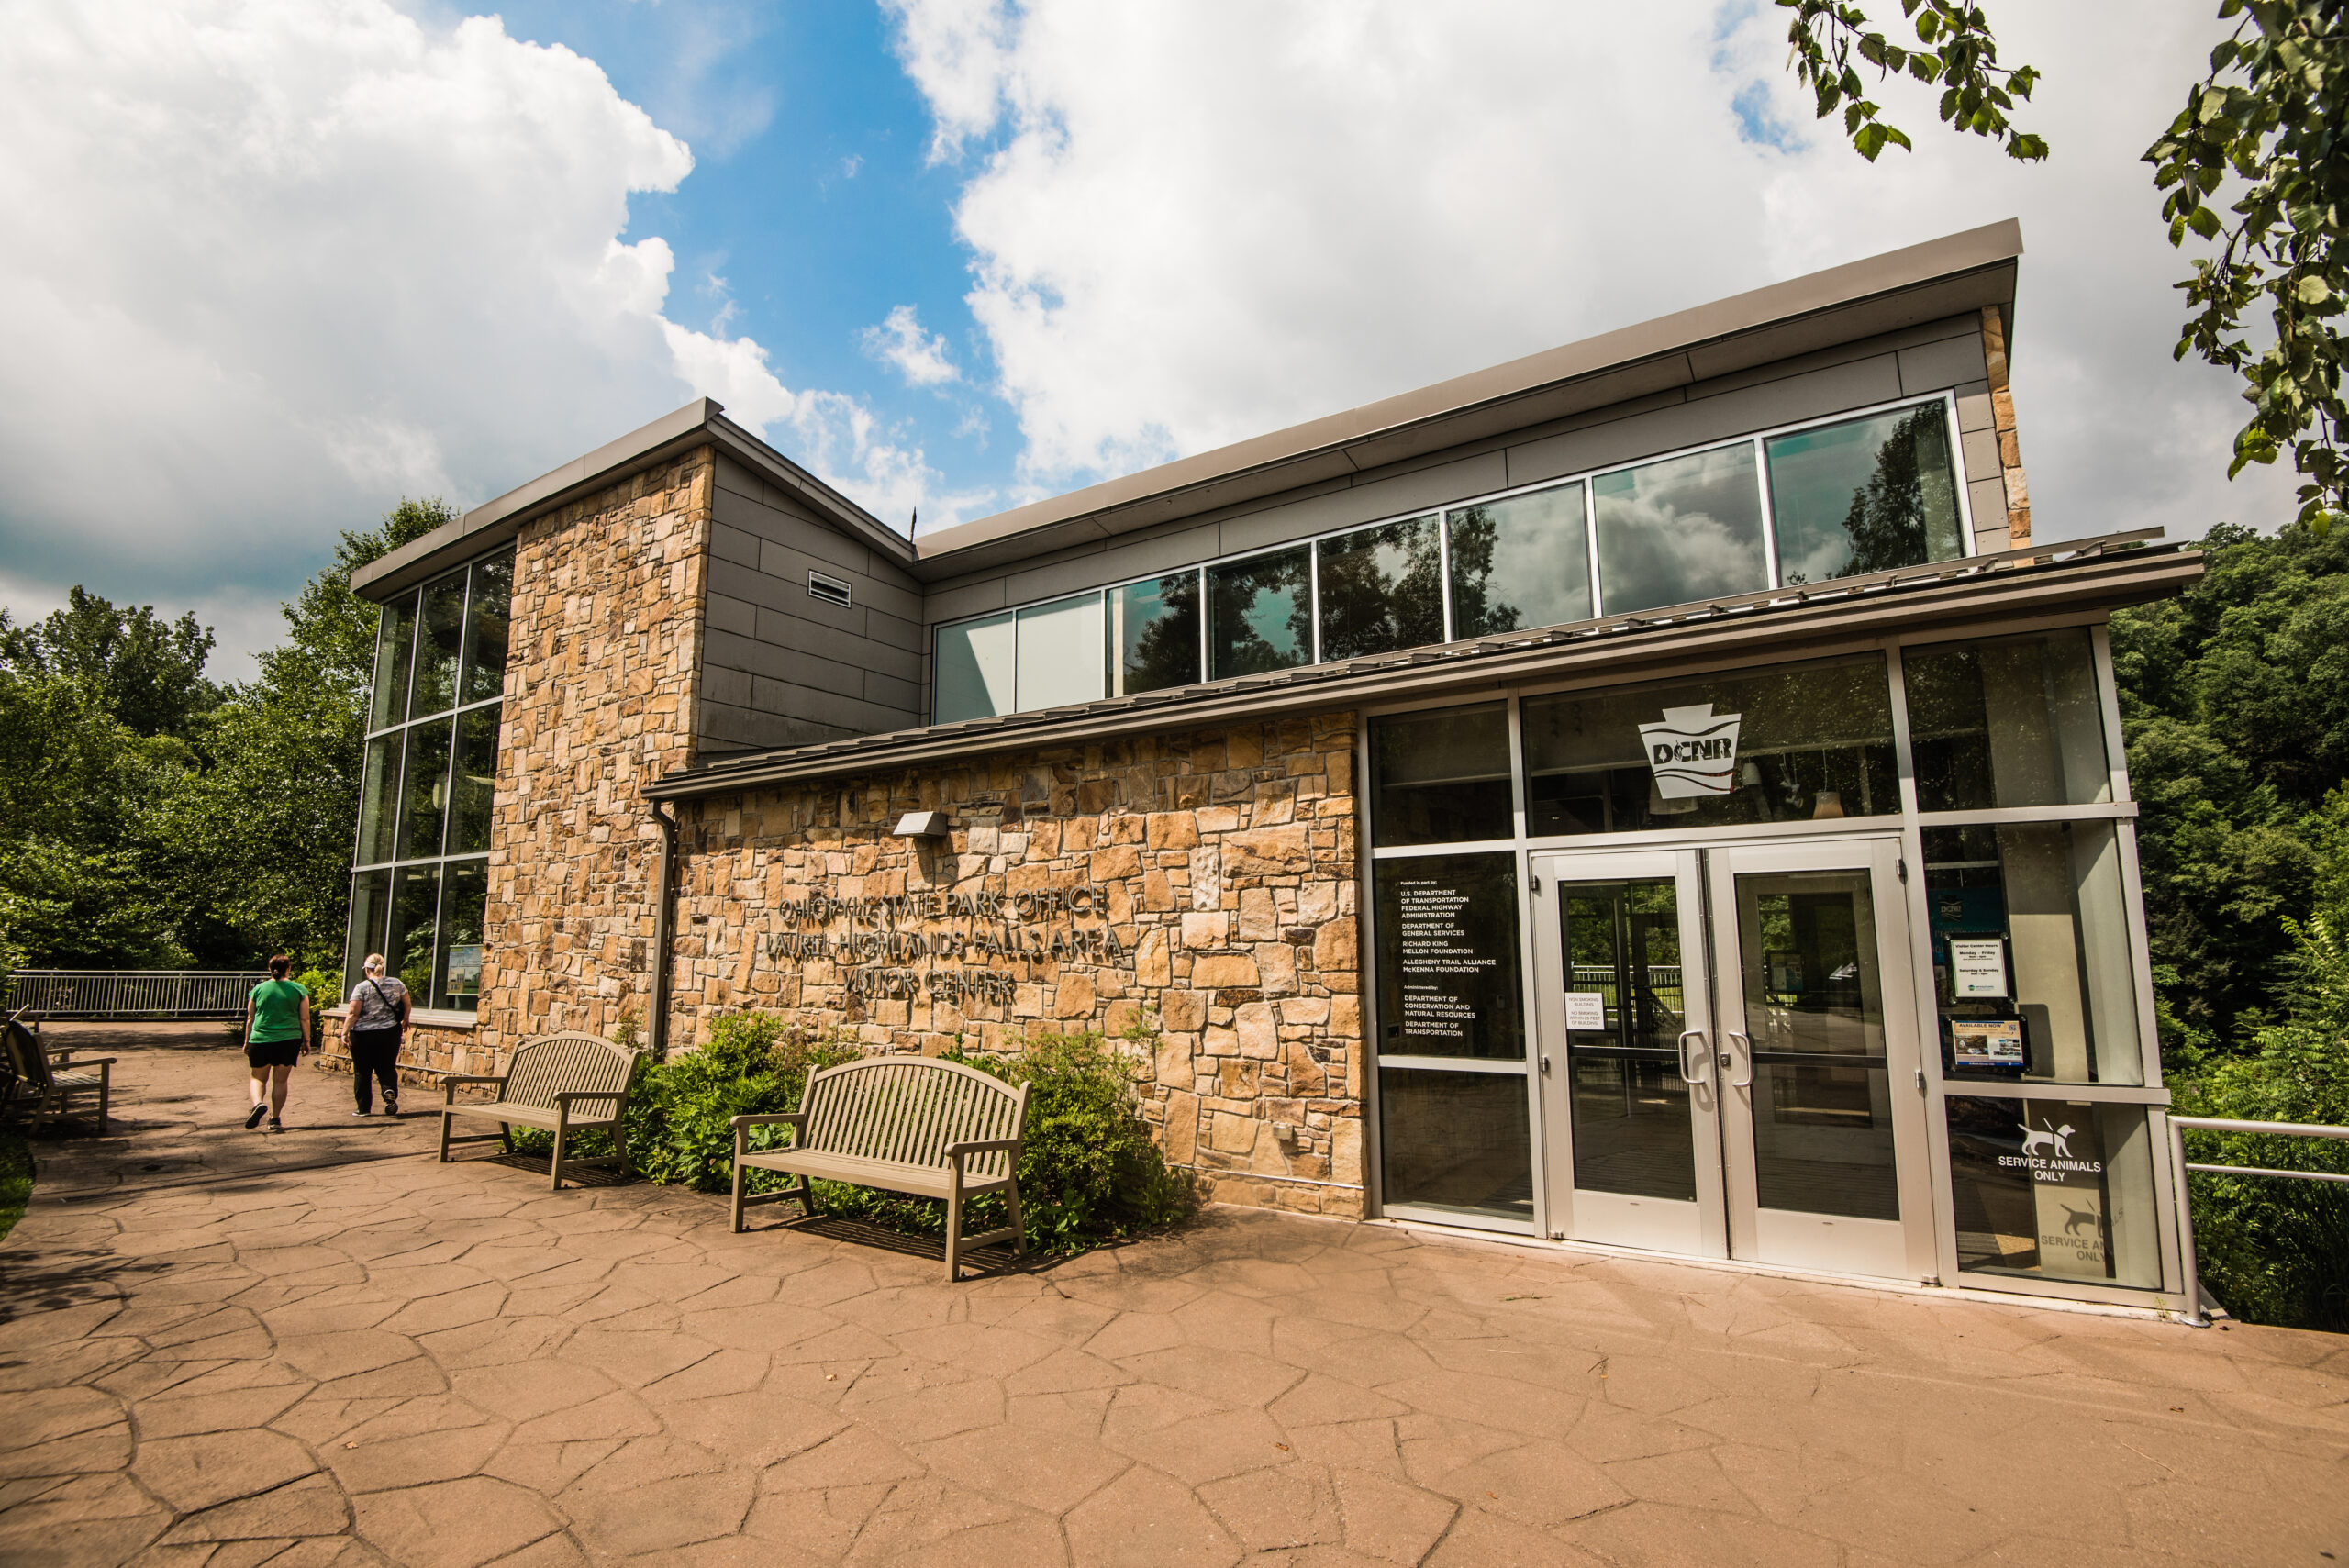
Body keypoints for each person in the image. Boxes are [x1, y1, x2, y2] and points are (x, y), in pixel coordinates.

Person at [242, 955, 310, 1132]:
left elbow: (251, 1017)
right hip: (288, 1040)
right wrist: (306, 1040)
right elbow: (304, 1018)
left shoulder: (258, 989)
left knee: (258, 1078)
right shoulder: (299, 989)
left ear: (269, 968)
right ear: (288, 968)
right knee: (280, 1080)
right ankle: (275, 1118)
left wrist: (247, 1040)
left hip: (261, 1039)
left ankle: (258, 1104)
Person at [343, 953, 409, 1116]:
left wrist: (344, 1032)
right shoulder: (397, 984)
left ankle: (363, 1108)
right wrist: (405, 1019)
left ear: (367, 969)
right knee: (387, 1066)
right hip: (390, 1033)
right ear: (383, 968)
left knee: (362, 1071)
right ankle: (389, 1091)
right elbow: (407, 1003)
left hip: (363, 1035)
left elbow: (353, 1012)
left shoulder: (362, 987)